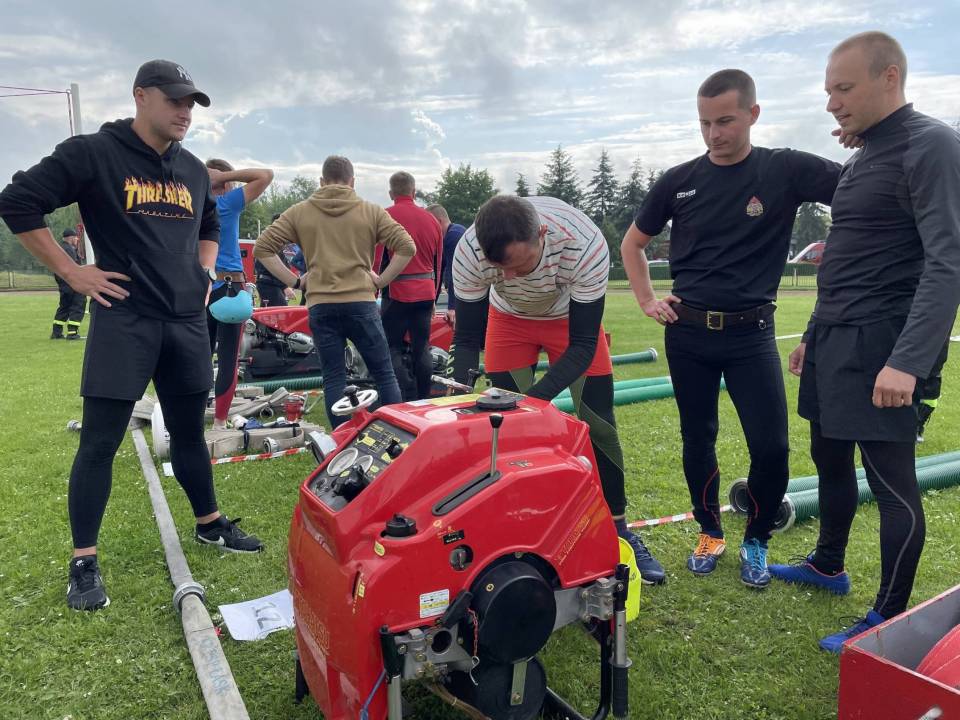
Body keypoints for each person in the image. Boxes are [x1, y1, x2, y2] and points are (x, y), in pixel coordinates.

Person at [0, 59, 264, 611]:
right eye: (174, 100)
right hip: (125, 320)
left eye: (190, 103)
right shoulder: (94, 153)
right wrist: (72, 272)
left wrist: (203, 270)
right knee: (100, 442)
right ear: (141, 96)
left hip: (185, 321)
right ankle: (84, 561)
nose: (184, 111)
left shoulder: (192, 169)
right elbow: (17, 201)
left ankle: (209, 524)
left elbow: (210, 221)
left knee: (188, 433)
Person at [772, 32, 960, 650]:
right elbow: (848, 257)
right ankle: (828, 565)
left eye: (844, 88)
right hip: (835, 339)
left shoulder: (932, 144)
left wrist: (908, 361)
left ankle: (889, 616)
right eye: (828, 90)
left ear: (890, 77)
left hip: (886, 343)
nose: (832, 103)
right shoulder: (863, 154)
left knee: (890, 482)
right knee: (828, 457)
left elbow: (947, 262)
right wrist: (814, 334)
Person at [621, 69, 841, 588]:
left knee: (772, 446)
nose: (714, 133)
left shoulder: (785, 169)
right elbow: (632, 244)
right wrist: (647, 300)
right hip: (689, 334)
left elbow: (859, 184)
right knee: (698, 437)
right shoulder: (678, 180)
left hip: (752, 334)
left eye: (725, 121)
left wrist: (867, 135)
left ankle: (757, 539)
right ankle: (710, 532)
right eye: (704, 123)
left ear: (753, 114)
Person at [450, 194, 666, 585]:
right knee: (505, 431)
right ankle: (521, 530)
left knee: (599, 425)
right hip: (508, 321)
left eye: (520, 265)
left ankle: (619, 529)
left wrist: (533, 401)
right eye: (500, 269)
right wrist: (456, 396)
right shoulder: (468, 250)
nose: (510, 277)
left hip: (571, 323)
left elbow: (583, 345)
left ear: (543, 235)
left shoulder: (585, 244)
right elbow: (466, 337)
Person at [254, 155, 415, 427]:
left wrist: (296, 282)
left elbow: (262, 248)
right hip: (361, 302)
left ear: (321, 181)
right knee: (384, 374)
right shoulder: (371, 211)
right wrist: (381, 281)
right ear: (352, 182)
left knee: (334, 377)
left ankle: (341, 438)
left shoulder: (300, 211)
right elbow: (407, 247)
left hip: (321, 304)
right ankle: (394, 434)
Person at [204, 159, 274, 429]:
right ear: (226, 184)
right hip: (229, 289)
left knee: (198, 356)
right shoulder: (227, 204)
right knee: (228, 360)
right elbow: (265, 174)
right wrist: (224, 176)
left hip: (200, 288)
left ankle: (194, 412)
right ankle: (219, 421)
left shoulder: (194, 205)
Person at [380, 171, 443, 400]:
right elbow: (438, 263)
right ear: (414, 192)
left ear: (391, 193)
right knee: (422, 346)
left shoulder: (385, 216)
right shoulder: (432, 220)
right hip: (426, 292)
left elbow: (377, 260)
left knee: (391, 347)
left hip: (396, 292)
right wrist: (434, 297)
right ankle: (423, 397)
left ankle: (404, 394)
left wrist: (374, 289)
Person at [426, 203, 466, 326]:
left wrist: (452, 307)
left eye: (429, 225)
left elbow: (455, 273)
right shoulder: (444, 239)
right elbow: (438, 272)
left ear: (438, 222)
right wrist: (432, 303)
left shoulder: (454, 236)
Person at [254, 213, 299, 308]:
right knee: (280, 312)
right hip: (269, 284)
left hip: (270, 284)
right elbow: (273, 268)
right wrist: (285, 287)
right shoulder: (270, 243)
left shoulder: (274, 242)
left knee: (269, 313)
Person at [51, 227, 87, 340]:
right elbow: (73, 267)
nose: (77, 240)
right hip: (72, 283)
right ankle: (72, 333)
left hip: (63, 284)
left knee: (64, 307)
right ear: (71, 238)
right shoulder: (69, 250)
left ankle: (56, 332)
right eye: (76, 238)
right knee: (78, 304)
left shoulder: (59, 248)